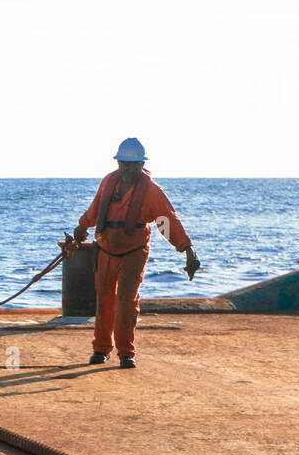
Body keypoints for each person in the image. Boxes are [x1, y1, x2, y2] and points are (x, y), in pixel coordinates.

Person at [62, 137, 200, 369]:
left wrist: (186, 249)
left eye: (131, 164)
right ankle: (101, 349)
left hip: (133, 253)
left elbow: (167, 221)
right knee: (104, 302)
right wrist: (82, 226)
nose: (125, 168)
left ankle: (126, 353)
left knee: (126, 302)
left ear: (140, 165)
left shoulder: (152, 191)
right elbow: (95, 209)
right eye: (122, 163)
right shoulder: (108, 182)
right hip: (105, 250)